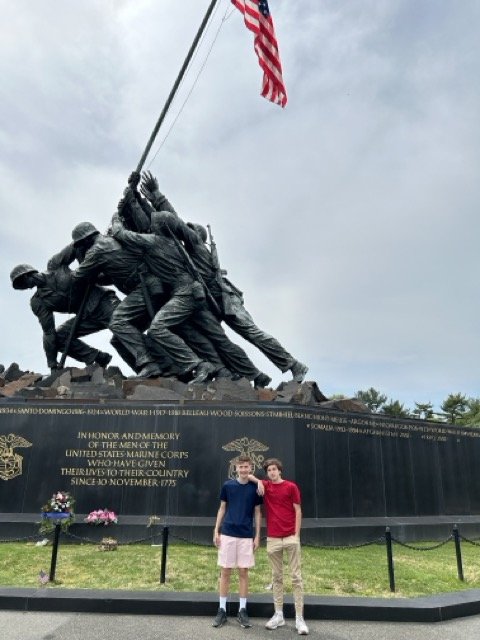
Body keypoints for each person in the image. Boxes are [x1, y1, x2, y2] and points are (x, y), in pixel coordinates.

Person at [10, 245, 119, 372]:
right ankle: (97, 357)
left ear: (27, 274)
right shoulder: (38, 302)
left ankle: (146, 362)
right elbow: (49, 333)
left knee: (124, 329)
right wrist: (52, 364)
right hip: (85, 316)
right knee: (60, 337)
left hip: (102, 302)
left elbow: (78, 245)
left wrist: (87, 268)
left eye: (23, 281)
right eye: (22, 285)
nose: (26, 286)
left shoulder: (55, 265)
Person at [250, 458, 309, 635]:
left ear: (280, 470)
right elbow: (250, 476)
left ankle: (299, 618)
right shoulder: (266, 486)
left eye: (274, 469)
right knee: (277, 578)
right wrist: (258, 480)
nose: (272, 472)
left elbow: (298, 510)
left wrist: (297, 535)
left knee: (296, 578)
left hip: (291, 536)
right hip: (273, 539)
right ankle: (279, 615)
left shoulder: (291, 487)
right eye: (269, 471)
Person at [212, 455, 262, 629]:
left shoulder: (255, 488)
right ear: (236, 468)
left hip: (246, 534)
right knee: (225, 571)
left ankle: (242, 610)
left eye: (246, 467)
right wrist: (216, 530)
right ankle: (222, 610)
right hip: (228, 533)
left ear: (251, 468)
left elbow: (257, 513)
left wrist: (257, 536)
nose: (243, 470)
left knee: (243, 572)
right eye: (241, 467)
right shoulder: (228, 486)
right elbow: (222, 508)